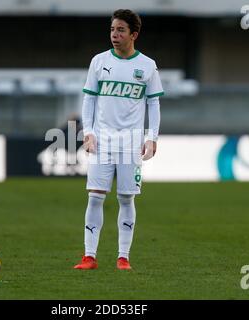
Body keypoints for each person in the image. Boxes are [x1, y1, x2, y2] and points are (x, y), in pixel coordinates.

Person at [74, 9, 163, 270]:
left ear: (133, 34)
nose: (115, 34)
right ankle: (89, 256)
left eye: (121, 30)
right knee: (95, 196)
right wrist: (88, 132)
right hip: (102, 140)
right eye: (113, 29)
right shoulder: (99, 61)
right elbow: (89, 98)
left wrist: (152, 137)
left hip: (131, 142)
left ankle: (123, 257)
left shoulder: (147, 65)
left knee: (126, 198)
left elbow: (154, 102)